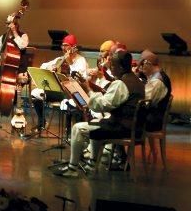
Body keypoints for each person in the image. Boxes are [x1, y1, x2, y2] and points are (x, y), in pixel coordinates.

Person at [52, 50, 144, 178]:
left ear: (121, 67)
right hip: (133, 128)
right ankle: (91, 164)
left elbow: (100, 106)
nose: (110, 68)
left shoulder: (121, 84)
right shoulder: (136, 81)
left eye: (113, 65)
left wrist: (88, 89)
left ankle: (72, 168)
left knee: (77, 128)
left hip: (121, 128)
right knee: (96, 122)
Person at [29, 34, 88, 134]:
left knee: (68, 102)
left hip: (72, 94)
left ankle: (68, 132)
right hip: (59, 91)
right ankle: (42, 121)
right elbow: (43, 66)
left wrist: (70, 63)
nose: (63, 48)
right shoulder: (60, 59)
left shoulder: (81, 60)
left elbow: (79, 79)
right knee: (35, 93)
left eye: (66, 45)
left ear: (73, 47)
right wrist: (51, 67)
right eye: (62, 45)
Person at [0, 14, 30, 122]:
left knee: (19, 80)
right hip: (6, 66)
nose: (8, 25)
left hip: (20, 66)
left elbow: (22, 46)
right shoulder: (2, 37)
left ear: (16, 24)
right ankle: (2, 95)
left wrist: (14, 33)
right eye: (7, 23)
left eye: (10, 23)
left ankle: (16, 106)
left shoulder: (23, 35)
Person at [138, 49, 172, 132]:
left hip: (153, 120)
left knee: (123, 120)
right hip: (153, 116)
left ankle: (123, 142)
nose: (140, 68)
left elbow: (145, 101)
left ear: (147, 63)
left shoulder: (157, 81)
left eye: (142, 64)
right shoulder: (158, 75)